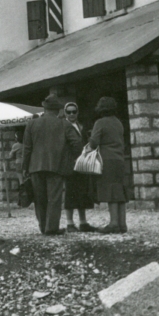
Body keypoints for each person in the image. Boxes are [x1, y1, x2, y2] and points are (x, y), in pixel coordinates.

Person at [22, 95, 82, 236]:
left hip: (35, 166)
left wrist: (25, 167)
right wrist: (71, 158)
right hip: (57, 166)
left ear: (44, 108)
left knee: (39, 198)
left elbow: (27, 148)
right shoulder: (64, 124)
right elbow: (77, 143)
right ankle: (52, 228)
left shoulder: (31, 124)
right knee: (54, 198)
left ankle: (43, 227)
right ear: (58, 110)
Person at [88, 97, 129, 234]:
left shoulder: (100, 123)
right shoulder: (118, 122)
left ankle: (114, 223)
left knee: (111, 191)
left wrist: (90, 137)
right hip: (119, 159)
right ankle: (122, 224)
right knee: (119, 189)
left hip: (107, 160)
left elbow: (93, 143)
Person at [62, 102, 96, 233]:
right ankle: (70, 223)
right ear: (65, 113)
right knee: (70, 192)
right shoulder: (63, 126)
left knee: (83, 190)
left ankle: (83, 222)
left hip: (82, 162)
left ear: (77, 113)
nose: (71, 114)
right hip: (70, 163)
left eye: (74, 112)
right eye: (69, 112)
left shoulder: (81, 126)